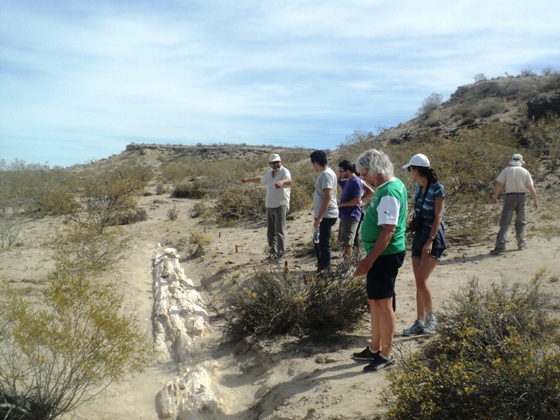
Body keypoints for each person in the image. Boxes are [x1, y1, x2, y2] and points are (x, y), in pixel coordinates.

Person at [351, 149, 407, 372]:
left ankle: (386, 353)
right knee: (375, 301)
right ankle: (374, 347)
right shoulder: (388, 188)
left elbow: (388, 232)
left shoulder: (389, 193)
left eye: (364, 172)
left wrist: (368, 261)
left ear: (375, 170)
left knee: (383, 303)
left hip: (384, 255)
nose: (363, 177)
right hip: (380, 254)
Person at [401, 153, 446, 336]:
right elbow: (419, 216)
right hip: (420, 236)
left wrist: (430, 240)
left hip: (432, 239)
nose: (409, 172)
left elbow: (438, 217)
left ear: (417, 169)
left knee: (421, 280)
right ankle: (420, 321)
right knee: (418, 282)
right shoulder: (418, 189)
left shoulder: (437, 188)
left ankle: (431, 319)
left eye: (410, 169)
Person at [241, 153, 291, 263]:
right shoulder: (269, 173)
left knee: (280, 231)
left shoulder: (284, 171)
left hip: (281, 204)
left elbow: (289, 180)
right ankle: (272, 255)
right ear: (270, 164)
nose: (276, 164)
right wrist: (248, 180)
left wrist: (281, 182)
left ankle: (281, 256)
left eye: (278, 162)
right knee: (270, 232)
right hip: (270, 205)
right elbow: (261, 180)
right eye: (274, 163)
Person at [490, 153, 538, 254]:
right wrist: (535, 201)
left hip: (509, 197)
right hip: (521, 197)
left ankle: (500, 245)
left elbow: (500, 185)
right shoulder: (525, 171)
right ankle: (521, 243)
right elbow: (531, 187)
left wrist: (495, 197)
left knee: (505, 222)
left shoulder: (506, 170)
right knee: (521, 221)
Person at [337, 160, 374, 260]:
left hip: (352, 215)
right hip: (345, 215)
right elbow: (337, 180)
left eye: (341, 171)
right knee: (343, 241)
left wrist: (341, 204)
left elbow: (357, 200)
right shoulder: (347, 181)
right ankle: (347, 261)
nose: (340, 173)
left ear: (348, 171)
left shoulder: (356, 182)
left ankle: (349, 264)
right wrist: (342, 174)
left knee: (348, 242)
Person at [310, 150, 338, 273]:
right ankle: (321, 267)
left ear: (316, 162)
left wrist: (320, 217)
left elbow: (328, 195)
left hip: (327, 214)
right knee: (318, 241)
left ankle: (324, 270)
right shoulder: (327, 173)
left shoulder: (326, 174)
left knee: (323, 243)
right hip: (324, 214)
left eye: (313, 164)